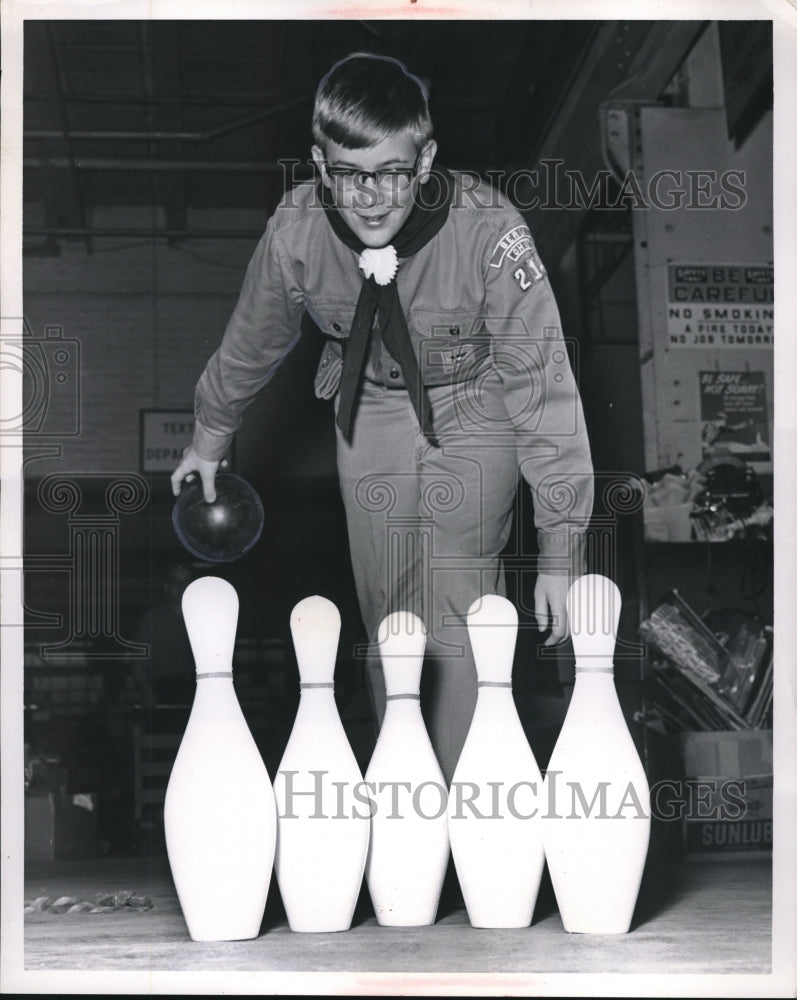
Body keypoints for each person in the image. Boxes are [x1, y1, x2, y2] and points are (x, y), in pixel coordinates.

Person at [171, 53, 593, 783]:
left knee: (457, 597)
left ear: (425, 157)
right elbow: (253, 338)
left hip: (476, 398)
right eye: (347, 172)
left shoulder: (489, 230)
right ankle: (401, 789)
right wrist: (210, 434)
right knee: (388, 614)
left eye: (392, 171)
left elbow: (543, 385)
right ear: (318, 163)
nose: (370, 198)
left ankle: (467, 801)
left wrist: (560, 549)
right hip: (368, 400)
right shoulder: (296, 232)